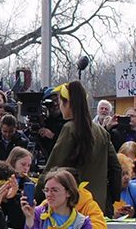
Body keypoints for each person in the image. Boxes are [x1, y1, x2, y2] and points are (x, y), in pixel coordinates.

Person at [42, 82, 120, 217]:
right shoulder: (101, 132)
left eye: (60, 102)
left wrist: (38, 196)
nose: (59, 106)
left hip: (72, 207)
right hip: (97, 207)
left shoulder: (70, 129)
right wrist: (111, 200)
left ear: (68, 104)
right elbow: (116, 168)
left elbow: (53, 166)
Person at [113, 153, 136, 218]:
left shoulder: (133, 188)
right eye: (122, 174)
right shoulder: (105, 191)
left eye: (127, 173)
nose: (126, 177)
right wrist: (112, 215)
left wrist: (134, 213)